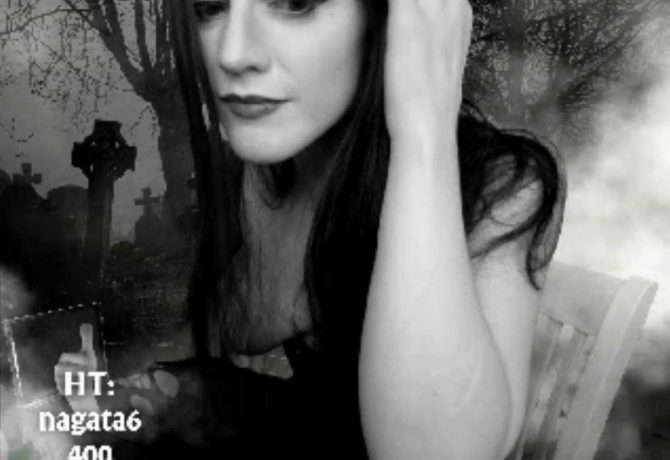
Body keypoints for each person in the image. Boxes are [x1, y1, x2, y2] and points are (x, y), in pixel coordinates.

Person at [57, 0, 565, 459]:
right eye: (211, 8)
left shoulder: (502, 186)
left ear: (389, 17)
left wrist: (423, 128)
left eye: (295, 4)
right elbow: (243, 324)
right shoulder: (274, 172)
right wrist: (126, 390)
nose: (233, 54)